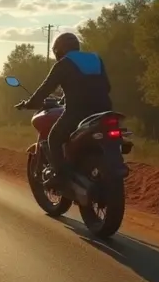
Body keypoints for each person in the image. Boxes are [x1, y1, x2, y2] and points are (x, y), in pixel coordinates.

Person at [15, 32, 112, 187]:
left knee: (54, 138)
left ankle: (60, 177)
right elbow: (106, 87)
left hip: (78, 113)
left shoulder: (64, 64)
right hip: (104, 110)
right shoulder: (96, 59)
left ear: (59, 51)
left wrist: (30, 103)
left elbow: (45, 89)